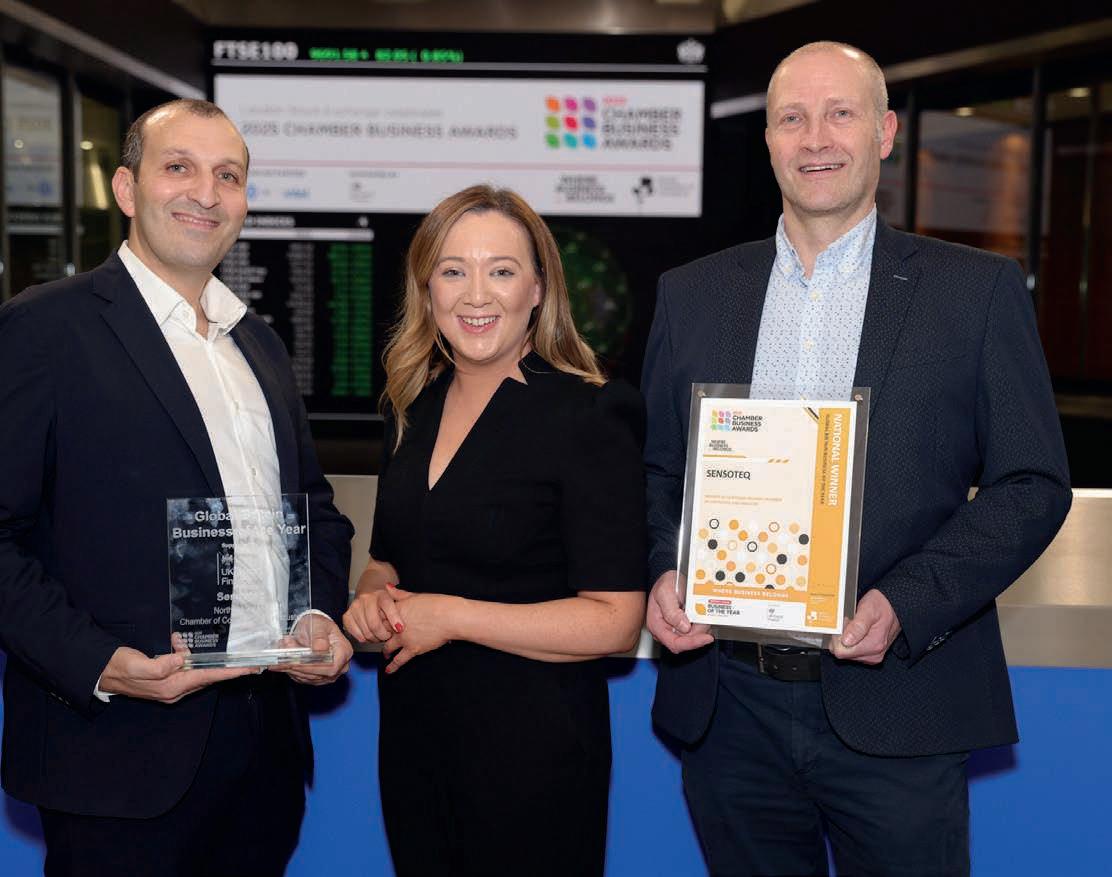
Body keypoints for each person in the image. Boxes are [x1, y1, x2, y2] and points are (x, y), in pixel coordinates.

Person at [642, 42, 1071, 877]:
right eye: (792, 118)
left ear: (884, 132)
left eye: (840, 114)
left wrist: (905, 602)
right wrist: (666, 565)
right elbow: (660, 471)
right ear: (768, 138)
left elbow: (1032, 484)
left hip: (902, 703)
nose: (815, 138)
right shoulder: (692, 293)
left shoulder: (974, 291)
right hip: (730, 708)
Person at [0, 99, 354, 876]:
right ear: (127, 189)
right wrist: (99, 661)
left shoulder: (258, 344)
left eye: (228, 175)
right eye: (179, 167)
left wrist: (317, 611)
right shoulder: (43, 329)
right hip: (116, 755)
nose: (205, 192)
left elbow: (315, 511)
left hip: (261, 753)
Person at [342, 184, 646, 876]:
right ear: (428, 290)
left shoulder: (590, 414)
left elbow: (615, 621)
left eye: (501, 271)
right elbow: (389, 558)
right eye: (453, 271)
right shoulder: (408, 406)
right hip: (416, 742)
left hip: (533, 754)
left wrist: (449, 616)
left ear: (537, 289)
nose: (476, 295)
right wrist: (371, 598)